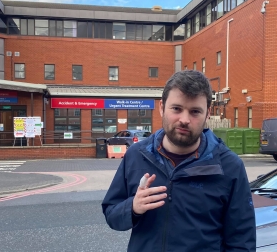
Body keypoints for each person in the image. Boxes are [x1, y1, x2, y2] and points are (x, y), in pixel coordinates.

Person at [101, 70, 256, 252]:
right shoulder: (136, 155)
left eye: (195, 112)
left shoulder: (229, 166)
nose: (184, 119)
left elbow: (241, 241)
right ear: (161, 107)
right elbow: (111, 214)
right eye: (176, 109)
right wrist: (132, 207)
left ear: (208, 114)